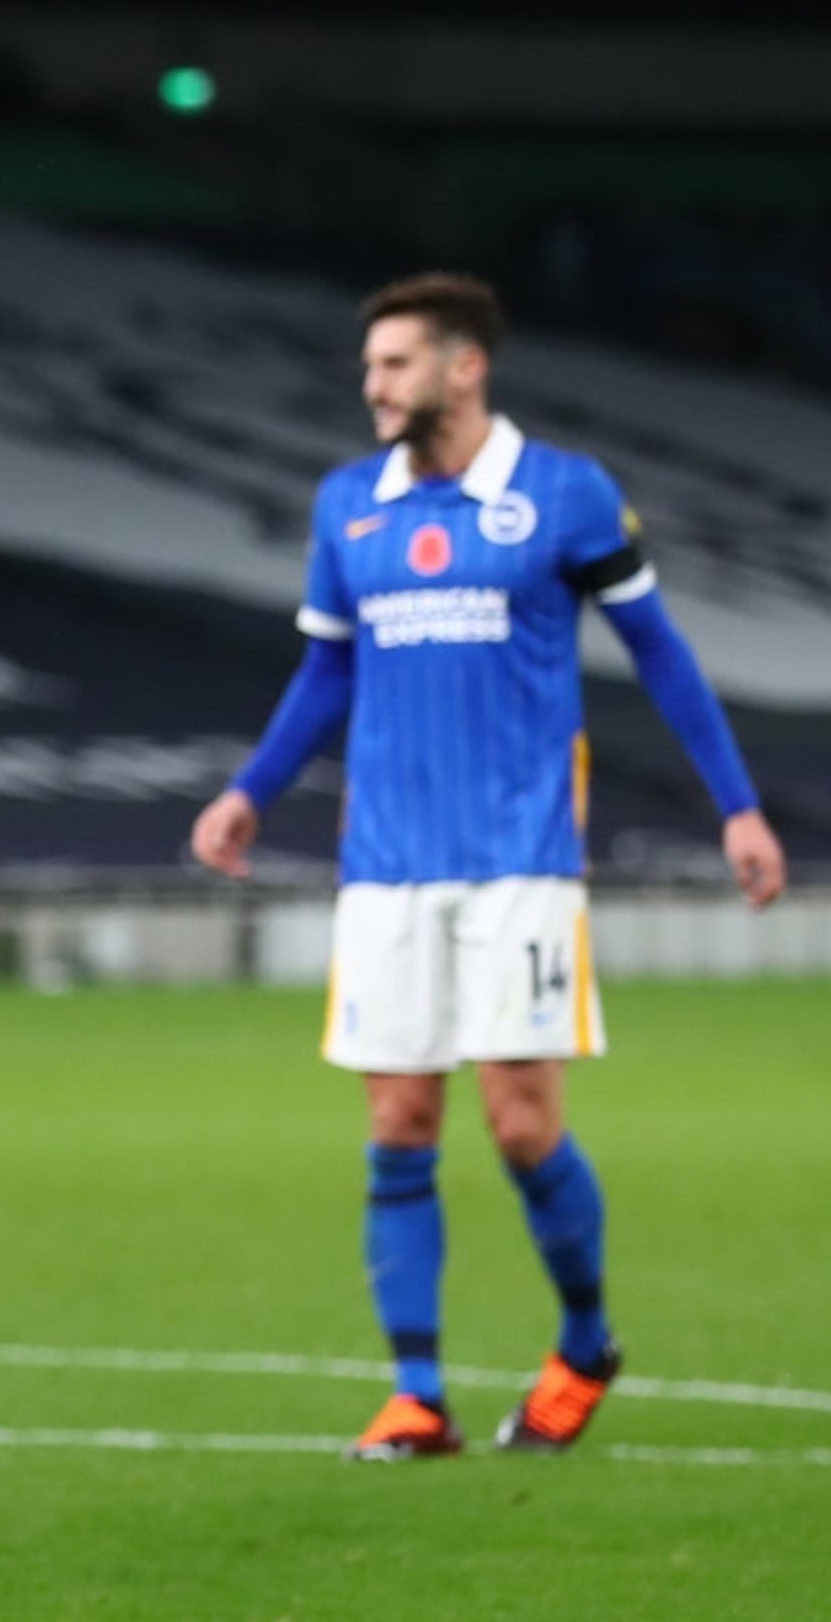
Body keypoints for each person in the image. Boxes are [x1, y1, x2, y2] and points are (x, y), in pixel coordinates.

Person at [189, 271, 780, 1463]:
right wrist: (249, 791)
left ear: (464, 368)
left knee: (517, 1126)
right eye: (368, 365)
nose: (372, 385)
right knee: (399, 1121)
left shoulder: (564, 494)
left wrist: (738, 807)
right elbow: (327, 670)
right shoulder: (347, 505)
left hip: (521, 858)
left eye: (393, 363)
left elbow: (658, 653)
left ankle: (585, 1342)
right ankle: (417, 1396)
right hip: (383, 865)